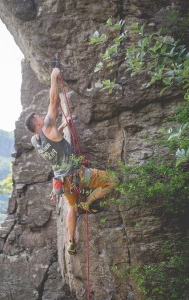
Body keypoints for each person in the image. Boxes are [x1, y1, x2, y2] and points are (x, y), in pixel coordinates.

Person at [24, 67, 118, 255]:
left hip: (62, 182)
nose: (43, 116)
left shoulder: (35, 140)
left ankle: (71, 243)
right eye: (40, 117)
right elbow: (53, 101)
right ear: (39, 124)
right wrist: (53, 77)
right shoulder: (46, 128)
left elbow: (52, 141)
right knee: (113, 180)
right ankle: (88, 202)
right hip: (77, 175)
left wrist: (59, 128)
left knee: (71, 207)